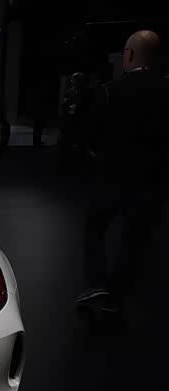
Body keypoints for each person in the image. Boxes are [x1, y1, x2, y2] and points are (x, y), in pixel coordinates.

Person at [77, 30, 169, 314]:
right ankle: (117, 295)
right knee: (135, 238)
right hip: (152, 181)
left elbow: (91, 137)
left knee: (95, 228)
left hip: (111, 176)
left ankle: (97, 285)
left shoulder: (109, 91)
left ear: (129, 55)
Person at [58, 72, 92, 174]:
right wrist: (68, 107)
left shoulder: (86, 92)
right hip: (70, 120)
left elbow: (87, 107)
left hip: (80, 121)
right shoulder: (70, 91)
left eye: (74, 79)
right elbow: (64, 105)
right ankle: (66, 165)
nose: (72, 81)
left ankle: (79, 165)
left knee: (80, 143)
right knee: (67, 142)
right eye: (72, 79)